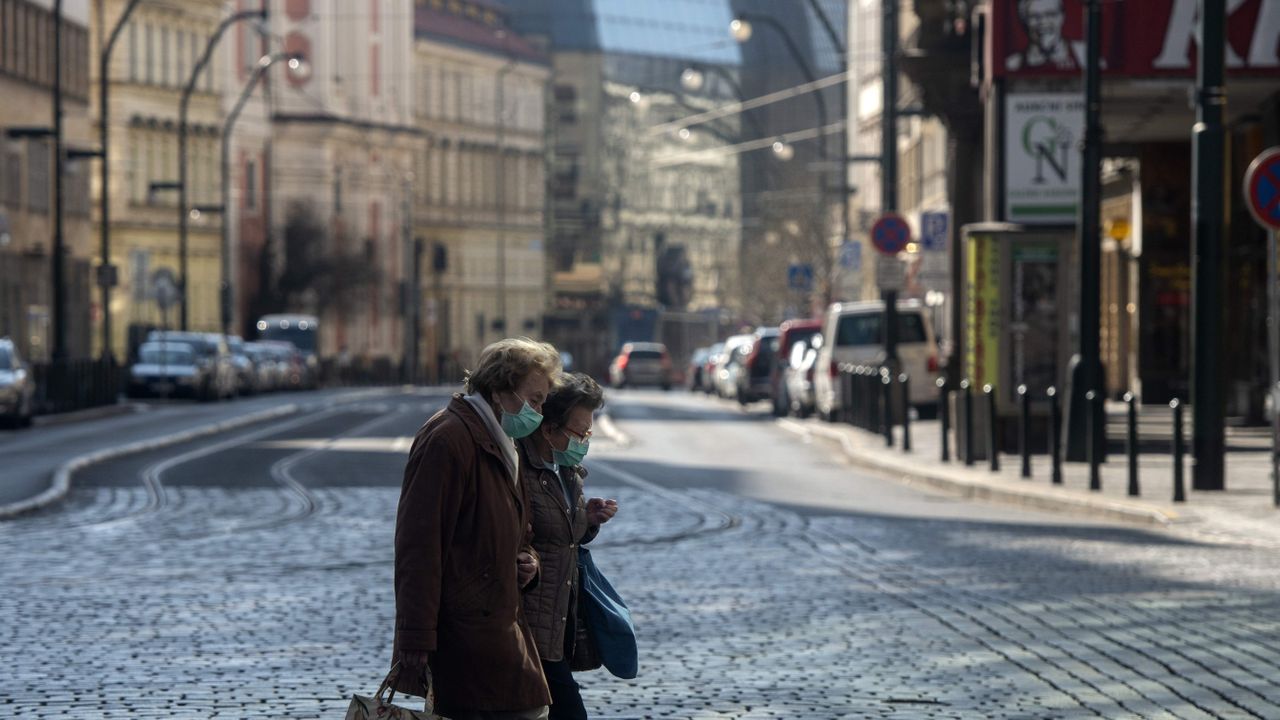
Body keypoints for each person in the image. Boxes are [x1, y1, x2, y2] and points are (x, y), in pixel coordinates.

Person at [392, 337, 563, 720]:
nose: (537, 412)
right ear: (501, 391)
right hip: (464, 633)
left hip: (499, 623)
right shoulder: (448, 439)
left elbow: (522, 533)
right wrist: (415, 638)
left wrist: (529, 562)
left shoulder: (504, 442)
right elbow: (418, 547)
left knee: (533, 708)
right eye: (533, 400)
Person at [517, 372, 619, 720]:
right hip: (527, 627)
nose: (585, 440)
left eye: (588, 432)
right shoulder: (519, 469)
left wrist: (587, 520)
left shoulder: (566, 469)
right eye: (579, 432)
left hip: (556, 624)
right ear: (548, 429)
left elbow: (561, 535)